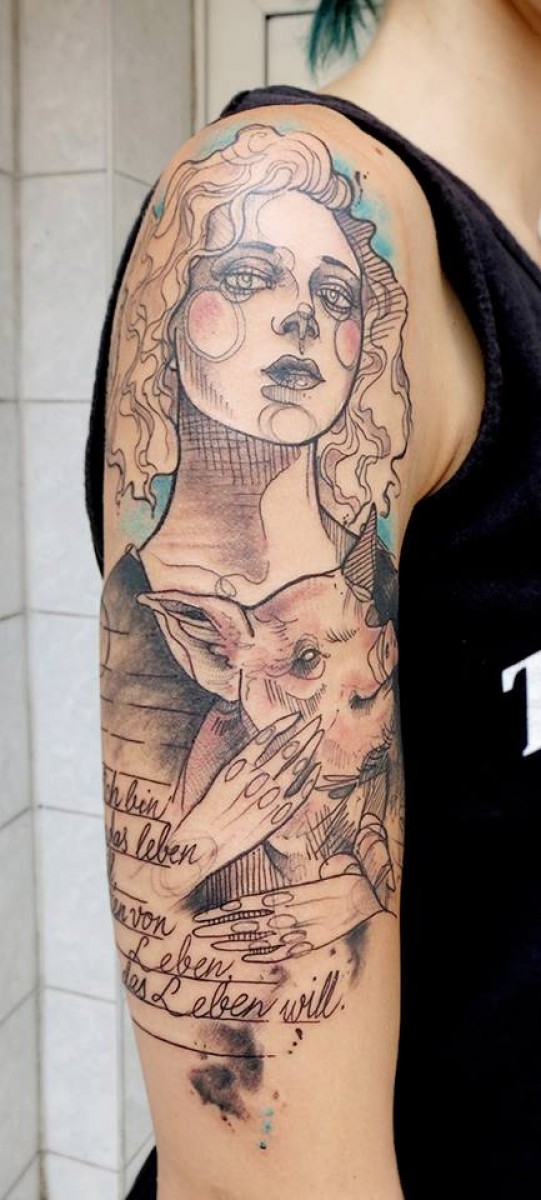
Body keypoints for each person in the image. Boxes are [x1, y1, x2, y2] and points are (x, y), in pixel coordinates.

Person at [85, 0, 541, 1196]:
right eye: (248, 284)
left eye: (337, 304)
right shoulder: (280, 196)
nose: (297, 314)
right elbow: (258, 1178)